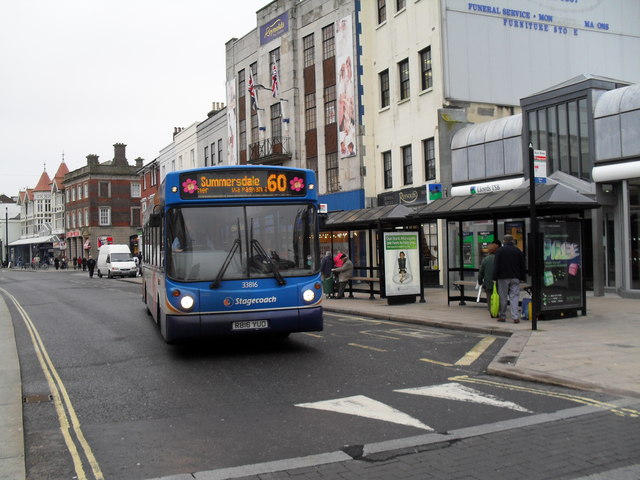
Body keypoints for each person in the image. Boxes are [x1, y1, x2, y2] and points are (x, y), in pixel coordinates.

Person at [492, 234, 526, 323]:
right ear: (512, 241)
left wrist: (494, 277)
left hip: (502, 277)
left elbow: (496, 265)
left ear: (504, 241)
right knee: (514, 297)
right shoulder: (518, 251)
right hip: (515, 277)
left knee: (503, 297)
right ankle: (515, 317)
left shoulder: (499, 251)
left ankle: (502, 316)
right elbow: (522, 265)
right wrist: (523, 277)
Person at [477, 240, 501, 317]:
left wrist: (480, 281)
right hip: (498, 281)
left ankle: (492, 312)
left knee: (489, 298)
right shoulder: (499, 258)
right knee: (498, 297)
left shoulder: (485, 259)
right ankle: (498, 311)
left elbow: (481, 272)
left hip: (488, 282)